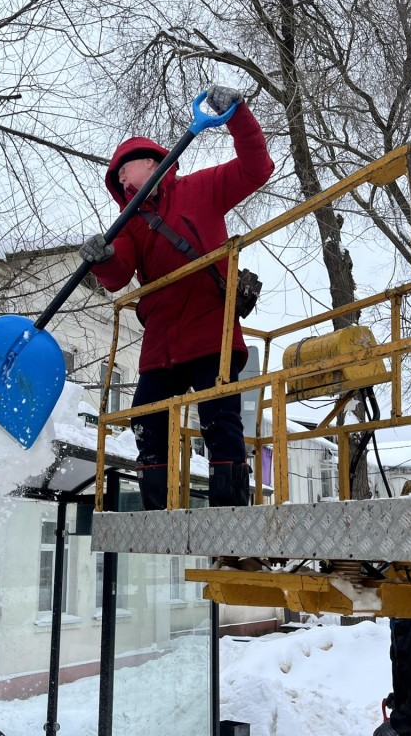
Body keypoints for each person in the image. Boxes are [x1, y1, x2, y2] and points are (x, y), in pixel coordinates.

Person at [80, 84, 274, 511]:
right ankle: (158, 508)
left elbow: (257, 169)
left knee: (219, 419)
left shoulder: (202, 188)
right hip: (162, 338)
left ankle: (229, 512)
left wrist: (238, 115)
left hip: (210, 328)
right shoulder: (128, 225)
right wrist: (102, 256)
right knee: (147, 419)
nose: (126, 181)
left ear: (156, 164)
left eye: (130, 171)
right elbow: (117, 277)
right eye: (120, 179)